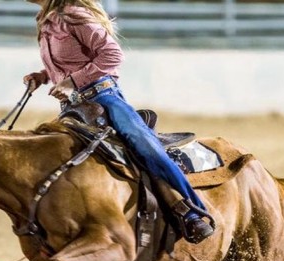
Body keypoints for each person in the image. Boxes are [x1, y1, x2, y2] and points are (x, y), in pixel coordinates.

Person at [23, 0, 214, 243]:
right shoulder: (46, 20)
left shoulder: (75, 15)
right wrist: (43, 76)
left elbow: (112, 54)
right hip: (74, 108)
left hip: (104, 98)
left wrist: (73, 81)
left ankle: (191, 212)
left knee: (145, 146)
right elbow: (69, 61)